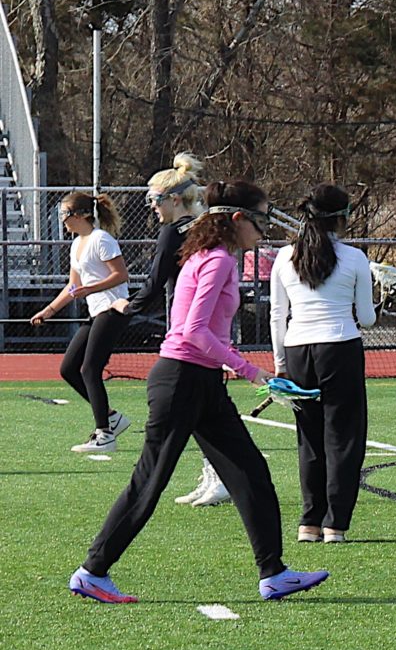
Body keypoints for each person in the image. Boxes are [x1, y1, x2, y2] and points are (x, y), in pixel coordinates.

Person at [70, 184, 329, 605]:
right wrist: (250, 371)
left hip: (201, 382)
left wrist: (233, 367)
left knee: (250, 471)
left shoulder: (208, 256)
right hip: (183, 381)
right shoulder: (218, 260)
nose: (264, 232)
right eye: (261, 222)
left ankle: (274, 573)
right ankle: (92, 571)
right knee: (149, 482)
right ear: (238, 220)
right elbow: (193, 331)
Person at [271, 185, 374, 542]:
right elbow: (368, 318)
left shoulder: (284, 257)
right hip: (340, 346)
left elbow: (277, 315)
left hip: (298, 349)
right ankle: (335, 524)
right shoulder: (356, 258)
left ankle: (308, 522)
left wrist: (280, 364)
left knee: (309, 438)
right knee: (343, 437)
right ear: (340, 217)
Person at [130, 157, 233, 506]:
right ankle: (216, 474)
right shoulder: (202, 227)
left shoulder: (173, 233)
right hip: (208, 328)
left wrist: (124, 310)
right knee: (202, 408)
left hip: (190, 330)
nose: (153, 208)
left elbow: (155, 283)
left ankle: (220, 474)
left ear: (175, 200)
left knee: (197, 408)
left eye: (156, 200)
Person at [30, 191, 131, 452]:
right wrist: (49, 310)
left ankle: (104, 435)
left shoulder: (102, 239)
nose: (62, 219)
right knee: (69, 369)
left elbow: (121, 276)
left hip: (113, 310)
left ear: (83, 214)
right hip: (96, 311)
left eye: (65, 213)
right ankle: (111, 417)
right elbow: (73, 286)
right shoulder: (77, 244)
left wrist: (91, 289)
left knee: (89, 369)